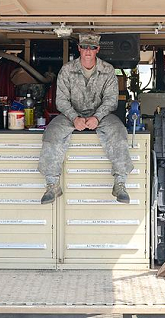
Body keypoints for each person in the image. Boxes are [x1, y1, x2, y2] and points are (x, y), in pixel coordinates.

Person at [38, 33, 134, 204]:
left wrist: (97, 117)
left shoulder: (108, 70)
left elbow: (111, 100)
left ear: (97, 49)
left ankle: (120, 183)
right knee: (51, 134)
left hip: (101, 114)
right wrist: (75, 118)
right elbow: (61, 100)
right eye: (84, 47)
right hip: (71, 114)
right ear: (79, 48)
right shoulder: (67, 70)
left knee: (119, 132)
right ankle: (52, 184)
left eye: (92, 47)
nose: (88, 51)